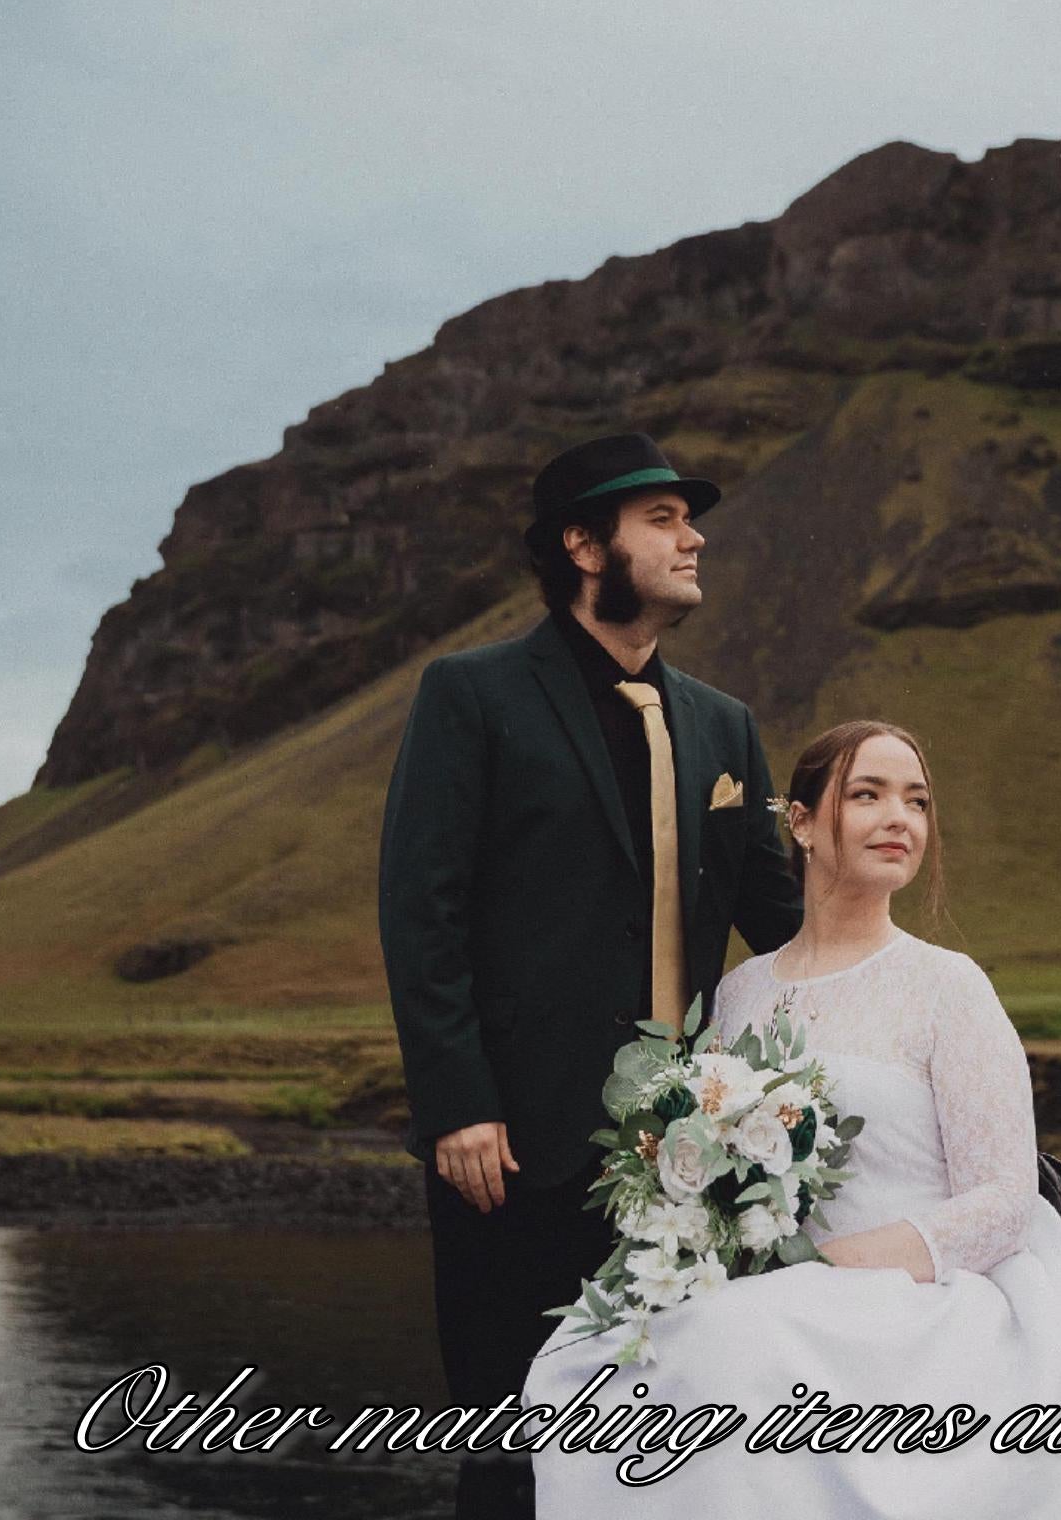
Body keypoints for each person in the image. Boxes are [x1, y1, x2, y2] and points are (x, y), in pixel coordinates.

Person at [378, 432, 803, 1518]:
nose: (693, 533)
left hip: (690, 1162)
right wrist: (460, 1104)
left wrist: (913, 990)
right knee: (509, 1441)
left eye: (687, 516)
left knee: (667, 1448)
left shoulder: (723, 724)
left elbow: (786, 922)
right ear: (581, 542)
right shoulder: (470, 695)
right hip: (515, 1147)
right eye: (661, 516)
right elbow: (422, 909)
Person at [524, 719, 1061, 1518]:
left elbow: (1003, 1200)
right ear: (800, 824)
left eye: (918, 802)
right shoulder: (743, 991)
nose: (901, 818)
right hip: (766, 1286)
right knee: (577, 1357)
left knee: (737, 1347)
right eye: (869, 795)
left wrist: (839, 1267)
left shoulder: (947, 987)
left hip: (916, 1294)